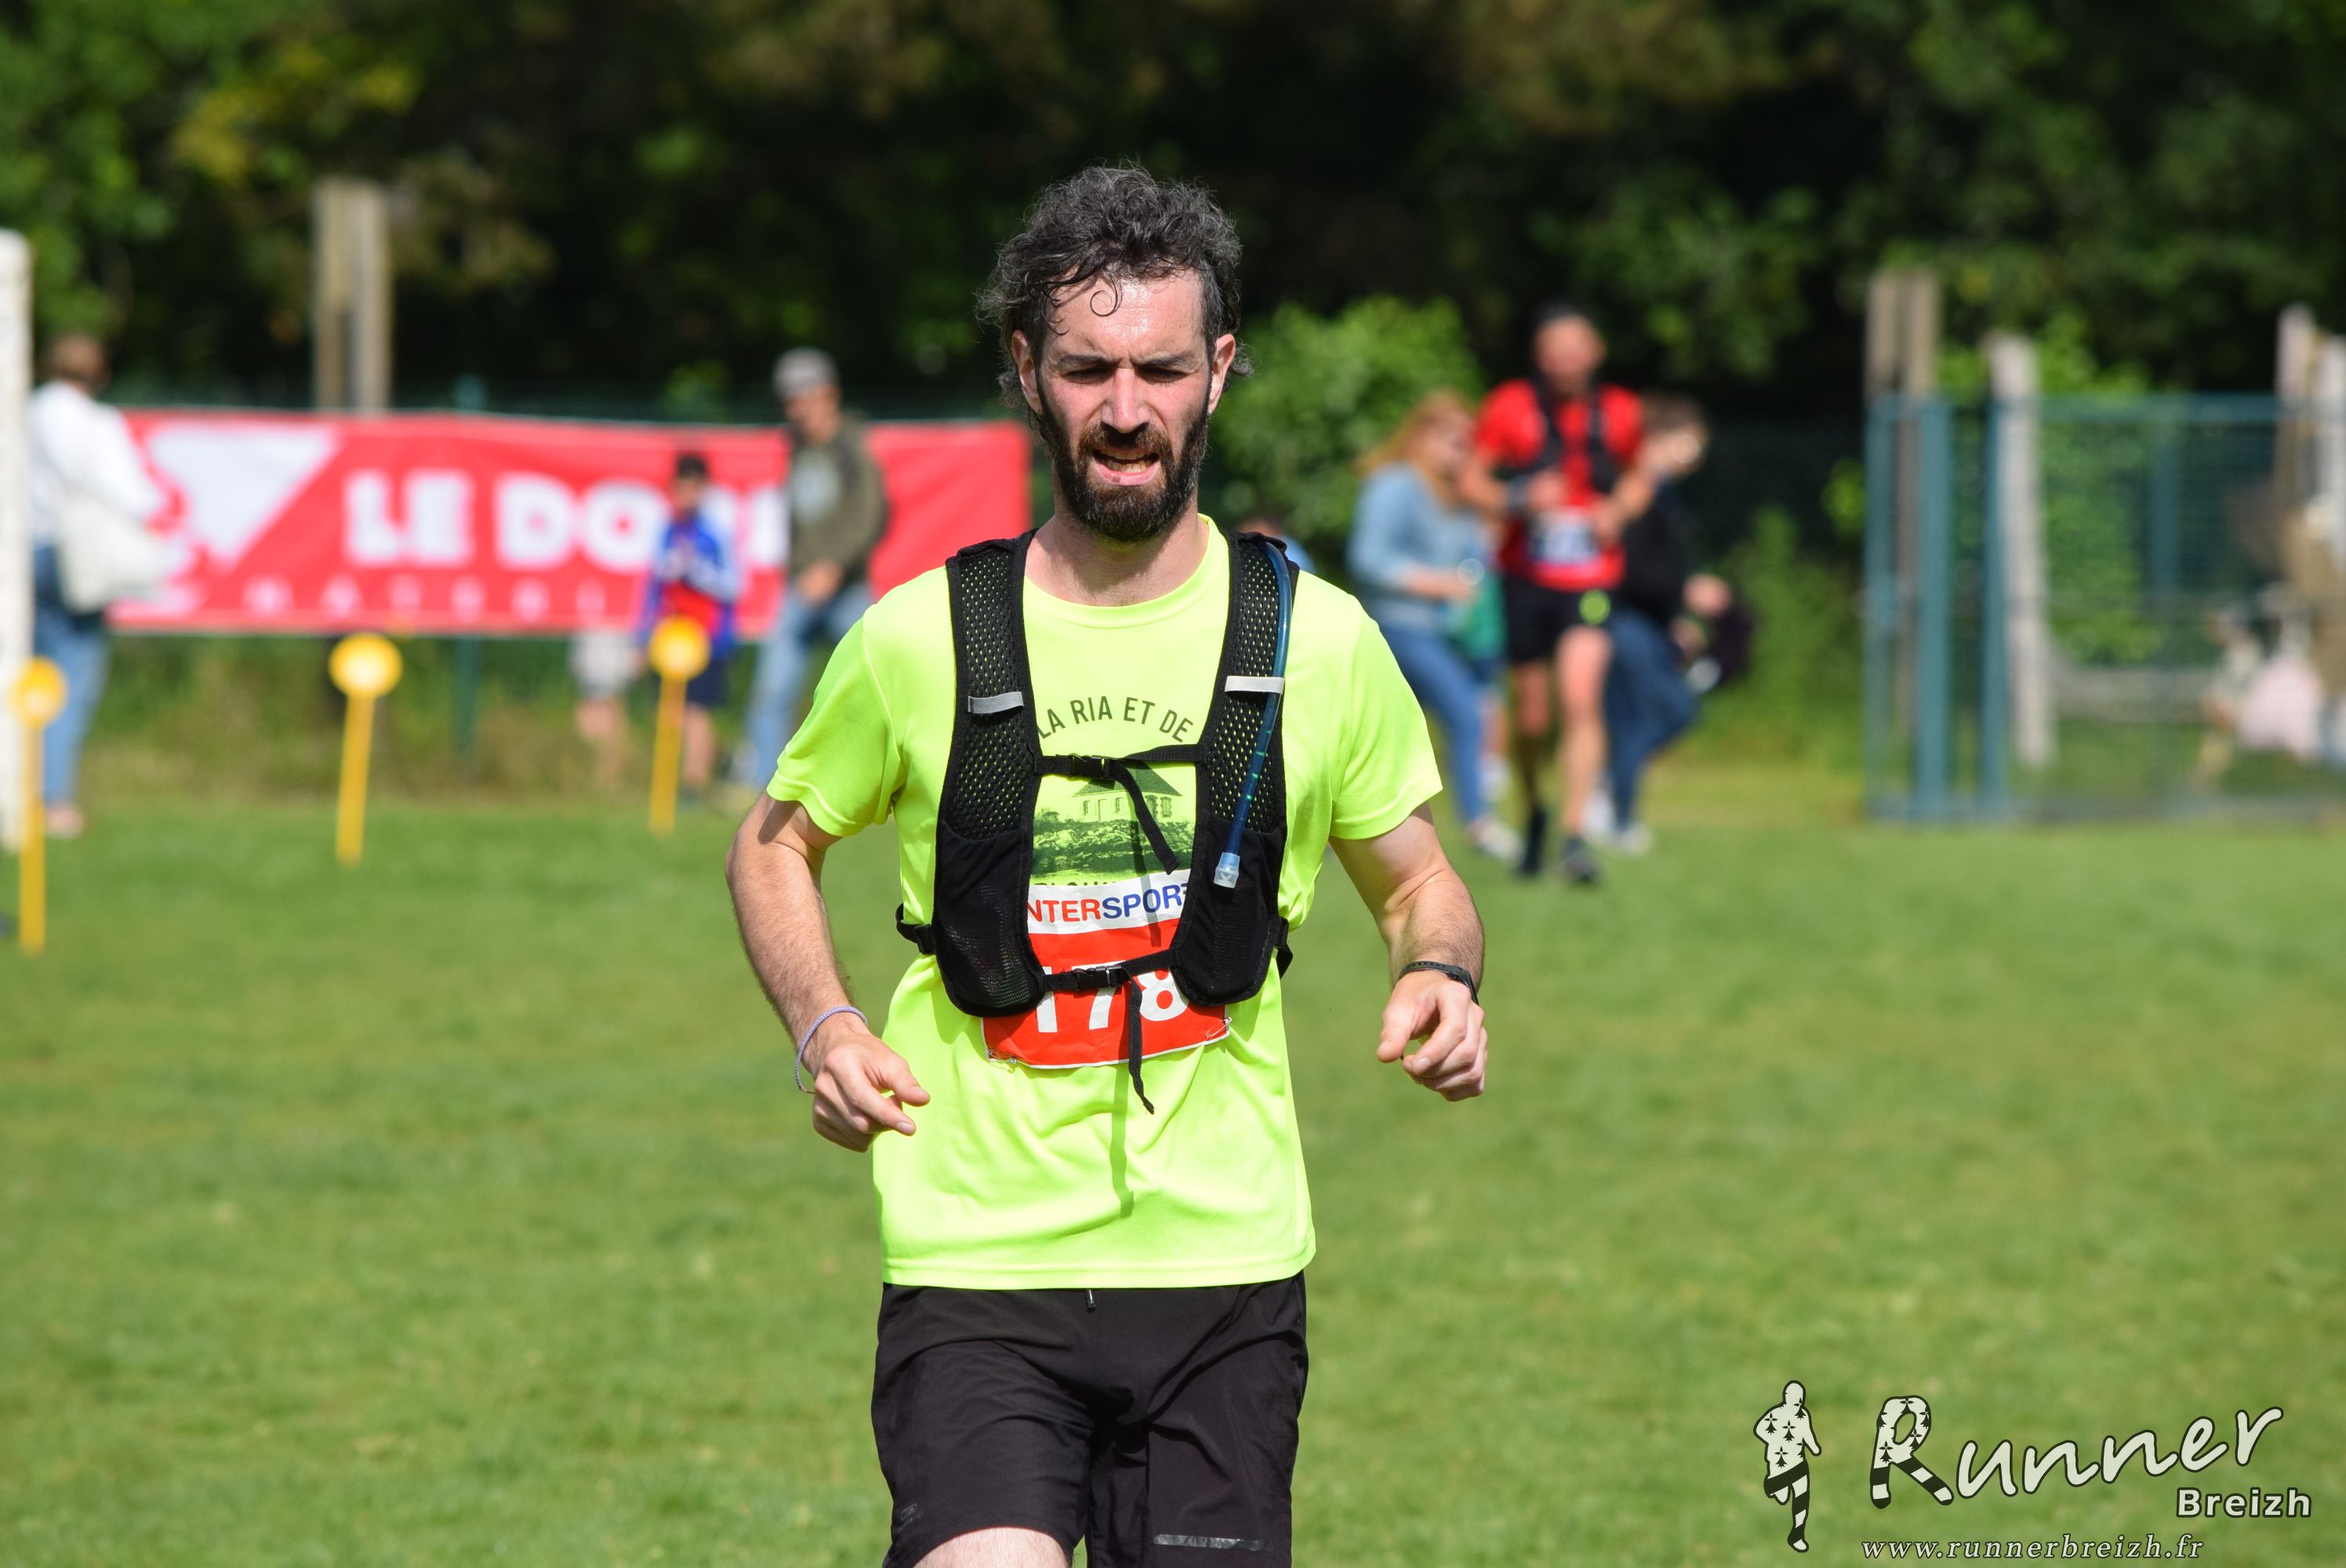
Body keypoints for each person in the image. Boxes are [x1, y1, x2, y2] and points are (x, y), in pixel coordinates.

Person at [726, 165, 1488, 1568]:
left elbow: (1418, 878)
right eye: (1087, 369)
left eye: (1160, 370)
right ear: (1028, 371)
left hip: (1224, 1270)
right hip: (977, 1260)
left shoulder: (1316, 640)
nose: (1125, 409)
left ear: (1220, 371)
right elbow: (775, 847)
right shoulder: (920, 636)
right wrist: (822, 1025)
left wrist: (1439, 972)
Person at [1462, 302, 1652, 886]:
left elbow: (1640, 476)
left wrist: (1617, 511)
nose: (1566, 360)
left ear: (1596, 352)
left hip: (1592, 578)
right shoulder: (1510, 406)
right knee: (1532, 718)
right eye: (1555, 349)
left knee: (1580, 697)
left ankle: (1574, 837)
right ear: (1539, 356)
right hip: (1526, 578)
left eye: (1576, 348)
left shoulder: (1621, 412)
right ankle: (1536, 811)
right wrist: (1518, 498)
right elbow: (1471, 479)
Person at [1347, 390, 1521, 861]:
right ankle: (1479, 823)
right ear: (1424, 435)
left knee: (1388, 736)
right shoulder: (1394, 485)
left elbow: (1472, 556)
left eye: (1468, 444)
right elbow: (1367, 558)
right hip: (1395, 626)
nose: (1463, 454)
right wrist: (1437, 583)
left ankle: (1358, 824)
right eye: (1455, 442)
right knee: (1465, 712)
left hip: (1440, 632)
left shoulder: (1450, 493)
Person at [26, 333, 164, 838]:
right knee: (70, 678)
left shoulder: (24, 414)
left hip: (21, 554)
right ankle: (51, 799)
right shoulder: (94, 423)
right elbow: (130, 493)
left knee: (23, 673)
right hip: (73, 559)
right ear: (98, 373)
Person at [733, 347, 889, 788]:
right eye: (789, 400)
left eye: (803, 398)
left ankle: (875, 785)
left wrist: (834, 566)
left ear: (829, 395)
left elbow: (873, 515)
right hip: (800, 589)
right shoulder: (797, 447)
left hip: (848, 589)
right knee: (772, 691)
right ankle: (762, 790)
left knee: (872, 690)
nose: (796, 409)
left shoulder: (853, 448)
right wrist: (800, 568)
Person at [1598, 394, 1709, 855]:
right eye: (1691, 445)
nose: (1696, 459)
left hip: (1648, 621)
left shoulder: (1659, 491)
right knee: (1660, 713)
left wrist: (1674, 615)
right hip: (1625, 620)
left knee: (1644, 719)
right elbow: (1629, 563)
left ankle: (1611, 798)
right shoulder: (1636, 487)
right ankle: (1613, 806)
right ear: (1662, 438)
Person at [636, 452, 737, 796]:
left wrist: (698, 572)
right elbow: (652, 590)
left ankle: (694, 785)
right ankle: (721, 758)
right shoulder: (666, 532)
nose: (687, 495)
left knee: (696, 711)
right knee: (667, 711)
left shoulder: (716, 534)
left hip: (707, 636)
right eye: (681, 487)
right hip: (671, 637)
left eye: (694, 487)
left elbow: (733, 585)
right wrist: (642, 638)